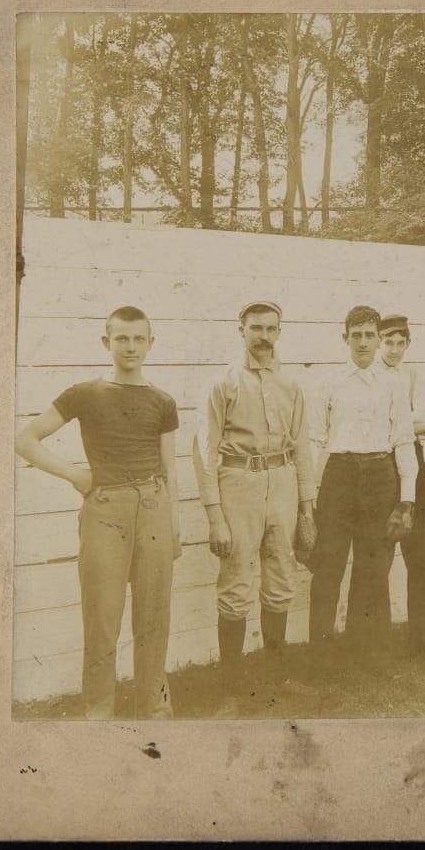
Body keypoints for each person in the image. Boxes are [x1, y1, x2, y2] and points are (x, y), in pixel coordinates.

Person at [15, 306, 180, 719]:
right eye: (121, 338)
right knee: (103, 615)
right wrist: (75, 474)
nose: (130, 347)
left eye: (138, 338)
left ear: (150, 343)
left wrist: (173, 528)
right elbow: (26, 440)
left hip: (155, 508)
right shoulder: (83, 393)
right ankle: (98, 711)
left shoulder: (163, 401)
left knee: (154, 615)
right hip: (106, 511)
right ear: (106, 343)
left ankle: (154, 707)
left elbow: (169, 469)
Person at [191, 300, 315, 714]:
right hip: (238, 483)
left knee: (282, 576)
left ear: (280, 331)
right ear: (240, 329)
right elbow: (206, 452)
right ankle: (231, 686)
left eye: (271, 329)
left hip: (282, 482)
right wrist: (214, 514)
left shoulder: (291, 385)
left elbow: (303, 448)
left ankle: (278, 675)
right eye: (256, 328)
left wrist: (306, 508)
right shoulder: (222, 383)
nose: (264, 337)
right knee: (236, 583)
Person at [307, 306, 416, 667]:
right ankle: (321, 654)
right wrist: (308, 497)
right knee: (329, 564)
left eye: (371, 335)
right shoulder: (329, 383)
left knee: (373, 567)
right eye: (357, 335)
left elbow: (403, 440)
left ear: (378, 338)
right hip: (338, 476)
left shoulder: (393, 384)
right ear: (345, 338)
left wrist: (406, 500)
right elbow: (315, 441)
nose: (364, 342)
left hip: (379, 475)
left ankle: (368, 651)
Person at [364, 313, 425, 656]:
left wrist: (396, 423)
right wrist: (402, 424)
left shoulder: (412, 374)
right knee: (380, 552)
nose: (394, 349)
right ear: (378, 341)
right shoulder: (369, 374)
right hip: (380, 464)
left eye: (400, 343)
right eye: (388, 342)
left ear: (409, 343)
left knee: (416, 551)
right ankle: (378, 639)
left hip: (412, 462)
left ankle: (422, 638)